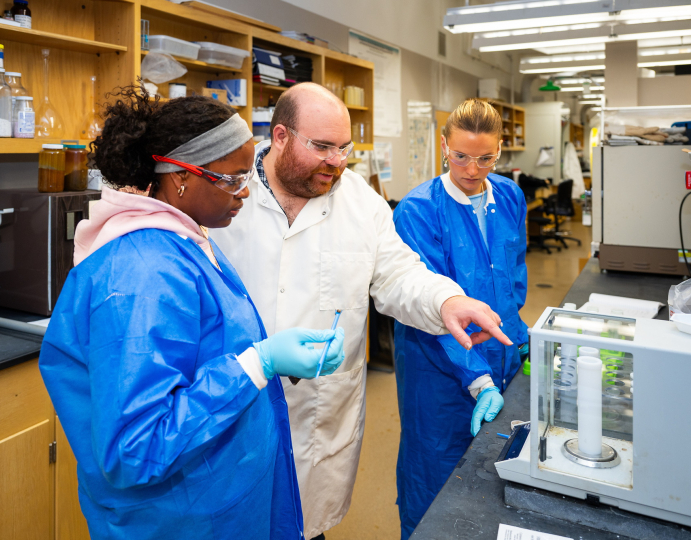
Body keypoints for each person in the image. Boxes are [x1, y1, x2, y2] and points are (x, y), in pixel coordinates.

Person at [38, 87, 346, 540]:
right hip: (178, 519)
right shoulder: (143, 274)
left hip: (218, 496)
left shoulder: (185, 240)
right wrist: (257, 364)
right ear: (180, 177)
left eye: (248, 177)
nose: (244, 192)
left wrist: (268, 357)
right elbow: (136, 448)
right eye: (232, 179)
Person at [208, 83, 512, 540]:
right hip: (232, 410)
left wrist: (447, 299)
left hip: (317, 417)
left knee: (304, 526)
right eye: (322, 147)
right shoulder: (224, 198)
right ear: (282, 136)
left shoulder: (360, 203)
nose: (336, 161)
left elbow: (398, 275)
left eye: (344, 148)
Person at [392, 98, 529, 539]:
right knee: (433, 482)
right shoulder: (418, 211)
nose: (472, 169)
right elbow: (429, 308)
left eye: (486, 157)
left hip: (503, 358)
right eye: (461, 156)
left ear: (500, 149)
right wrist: (478, 378)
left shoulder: (509, 195)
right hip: (437, 370)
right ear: (444, 146)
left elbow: (513, 280)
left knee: (494, 485)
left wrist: (521, 342)